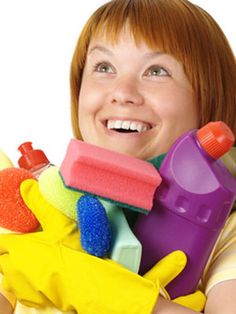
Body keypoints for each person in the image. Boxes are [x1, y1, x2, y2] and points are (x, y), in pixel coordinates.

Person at [0, 0, 235, 313]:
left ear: (209, 97)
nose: (122, 91)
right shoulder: (38, 211)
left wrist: (128, 300)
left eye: (156, 71)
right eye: (104, 67)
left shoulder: (223, 233)